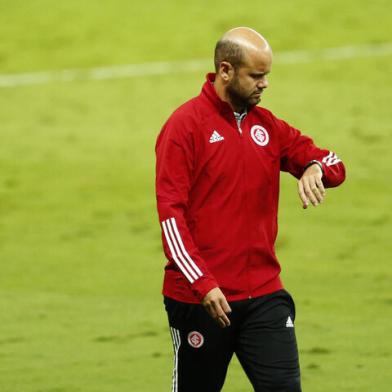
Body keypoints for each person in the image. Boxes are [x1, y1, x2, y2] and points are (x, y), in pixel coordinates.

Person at [155, 27, 345, 392]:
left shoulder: (267, 127)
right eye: (256, 76)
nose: (265, 84)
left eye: (267, 75)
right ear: (226, 71)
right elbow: (171, 217)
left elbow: (332, 160)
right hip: (202, 299)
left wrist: (315, 168)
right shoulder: (184, 128)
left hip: (264, 295)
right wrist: (203, 283)